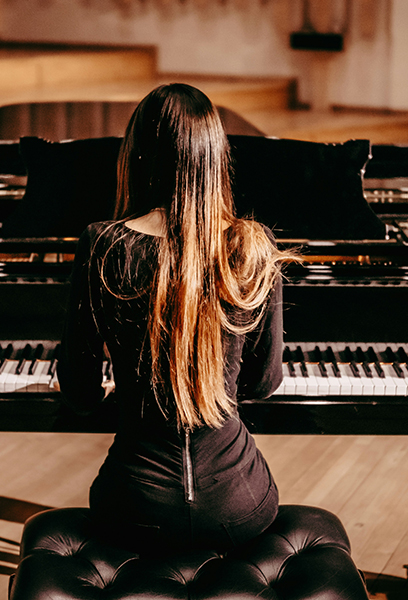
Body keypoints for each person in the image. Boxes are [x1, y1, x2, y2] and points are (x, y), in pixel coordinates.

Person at [58, 83, 295, 553]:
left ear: (136, 155)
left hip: (132, 505)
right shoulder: (253, 245)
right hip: (241, 504)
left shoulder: (102, 245)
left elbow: (80, 392)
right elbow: (263, 383)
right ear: (214, 158)